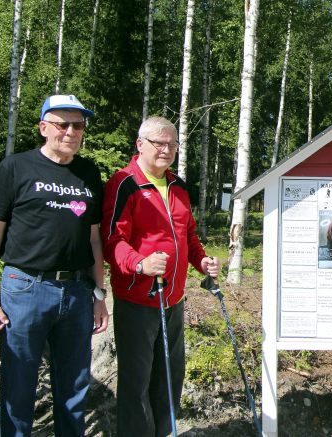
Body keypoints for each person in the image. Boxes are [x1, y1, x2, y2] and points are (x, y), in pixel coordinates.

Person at [0, 94, 108, 436]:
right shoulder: (17, 167)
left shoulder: (89, 172)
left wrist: (98, 293)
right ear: (43, 127)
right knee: (19, 388)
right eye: (62, 124)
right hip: (24, 289)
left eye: (78, 125)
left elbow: (94, 238)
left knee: (74, 391)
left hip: (77, 293)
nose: (71, 132)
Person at [101, 116, 220, 437]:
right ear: (140, 144)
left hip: (174, 300)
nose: (166, 149)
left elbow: (189, 236)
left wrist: (203, 262)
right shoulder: (124, 183)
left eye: (173, 144)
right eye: (159, 143)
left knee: (169, 379)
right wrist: (139, 263)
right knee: (136, 383)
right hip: (137, 301)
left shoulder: (178, 186)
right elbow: (111, 241)